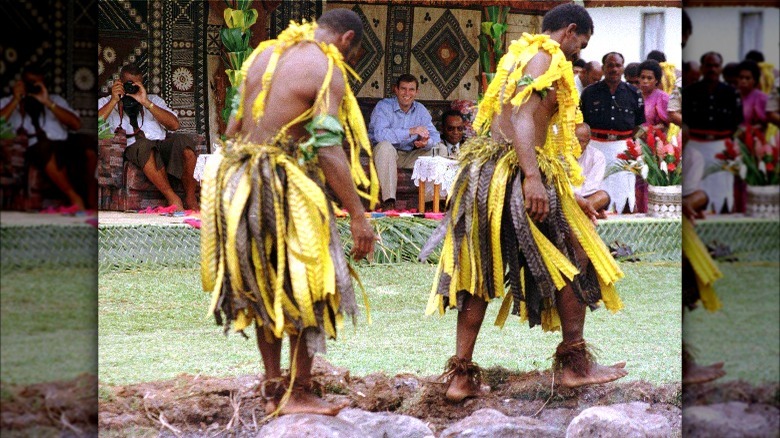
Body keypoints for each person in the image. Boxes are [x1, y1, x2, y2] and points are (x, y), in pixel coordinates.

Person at [421, 3, 626, 403]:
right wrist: (532, 177)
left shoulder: (520, 54)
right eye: (579, 45)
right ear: (569, 31)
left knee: (479, 273)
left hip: (490, 174)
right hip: (516, 174)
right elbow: (524, 118)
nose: (576, 54)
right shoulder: (547, 57)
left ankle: (460, 377)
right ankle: (574, 365)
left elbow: (527, 122)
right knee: (575, 254)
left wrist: (567, 194)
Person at [200, 10, 379, 417]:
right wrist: (357, 214)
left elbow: (232, 127)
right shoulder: (327, 66)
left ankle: (271, 385)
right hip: (287, 186)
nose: (348, 63)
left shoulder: (263, 56)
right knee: (309, 283)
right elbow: (329, 148)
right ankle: (298, 391)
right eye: (353, 54)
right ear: (347, 39)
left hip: (242, 182)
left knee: (268, 284)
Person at [98, 63, 199, 211]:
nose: (131, 88)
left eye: (136, 84)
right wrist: (114, 100)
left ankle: (190, 198)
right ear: (119, 82)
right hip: (134, 149)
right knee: (145, 146)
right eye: (127, 84)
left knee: (184, 142)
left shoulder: (153, 100)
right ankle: (173, 198)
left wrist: (145, 102)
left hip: (161, 145)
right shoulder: (107, 102)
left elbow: (174, 125)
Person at [0, 63, 96, 210]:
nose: (33, 86)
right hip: (35, 149)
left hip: (63, 145)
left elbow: (76, 125)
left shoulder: (55, 100)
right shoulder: (9, 101)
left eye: (37, 83)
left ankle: (91, 197)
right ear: (21, 83)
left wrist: (47, 102)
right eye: (29, 83)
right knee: (45, 147)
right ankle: (75, 198)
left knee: (88, 142)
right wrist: (16, 99)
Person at [581, 52, 646, 213]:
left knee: (623, 193)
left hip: (622, 150)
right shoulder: (589, 93)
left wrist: (631, 147)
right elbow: (581, 122)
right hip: (595, 147)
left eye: (618, 65)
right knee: (594, 188)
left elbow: (639, 125)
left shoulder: (634, 93)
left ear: (623, 68)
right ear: (603, 68)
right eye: (610, 65)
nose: (614, 69)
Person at [369, 74, 441, 210]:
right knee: (385, 146)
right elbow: (380, 135)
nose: (407, 93)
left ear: (416, 92)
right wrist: (410, 131)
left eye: (411, 89)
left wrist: (426, 142)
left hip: (409, 155)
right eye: (403, 89)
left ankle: (431, 203)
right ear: (396, 90)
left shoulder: (420, 110)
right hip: (387, 156)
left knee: (439, 149)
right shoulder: (384, 106)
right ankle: (389, 202)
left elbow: (435, 136)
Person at [682, 51, 742, 213]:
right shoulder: (689, 92)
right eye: (708, 65)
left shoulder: (731, 93)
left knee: (722, 191)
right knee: (694, 188)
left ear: (721, 68)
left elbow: (737, 122)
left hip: (721, 149)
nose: (712, 69)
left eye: (716, 66)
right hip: (695, 147)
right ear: (701, 68)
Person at [574, 123, 608, 218]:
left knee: (603, 196)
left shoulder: (597, 156)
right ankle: (590, 213)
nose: (576, 145)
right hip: (568, 197)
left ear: (588, 141)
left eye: (581, 141)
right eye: (574, 140)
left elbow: (592, 187)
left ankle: (578, 215)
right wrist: (575, 198)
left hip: (586, 197)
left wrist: (580, 200)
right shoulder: (560, 155)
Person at [638, 59, 670, 132]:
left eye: (649, 78)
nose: (645, 81)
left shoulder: (662, 97)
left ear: (656, 80)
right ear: (638, 78)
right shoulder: (633, 95)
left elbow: (665, 125)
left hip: (655, 140)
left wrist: (647, 130)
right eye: (642, 77)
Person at [736, 60, 768, 131]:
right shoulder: (732, 95)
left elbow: (764, 124)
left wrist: (745, 131)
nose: (743, 81)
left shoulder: (762, 98)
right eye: (741, 77)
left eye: (748, 78)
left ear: (755, 80)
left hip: (754, 139)